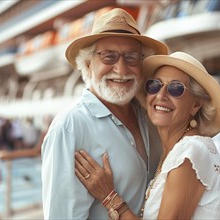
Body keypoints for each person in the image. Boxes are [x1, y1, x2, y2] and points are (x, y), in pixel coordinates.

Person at [75, 52, 220, 219]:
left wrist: (109, 196)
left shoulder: (190, 153)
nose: (161, 95)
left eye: (175, 88)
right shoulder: (178, 151)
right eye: (154, 85)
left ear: (195, 105)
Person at [41, 8, 168, 219]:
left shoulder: (150, 117)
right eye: (109, 57)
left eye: (132, 57)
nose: (121, 69)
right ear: (89, 64)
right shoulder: (70, 126)